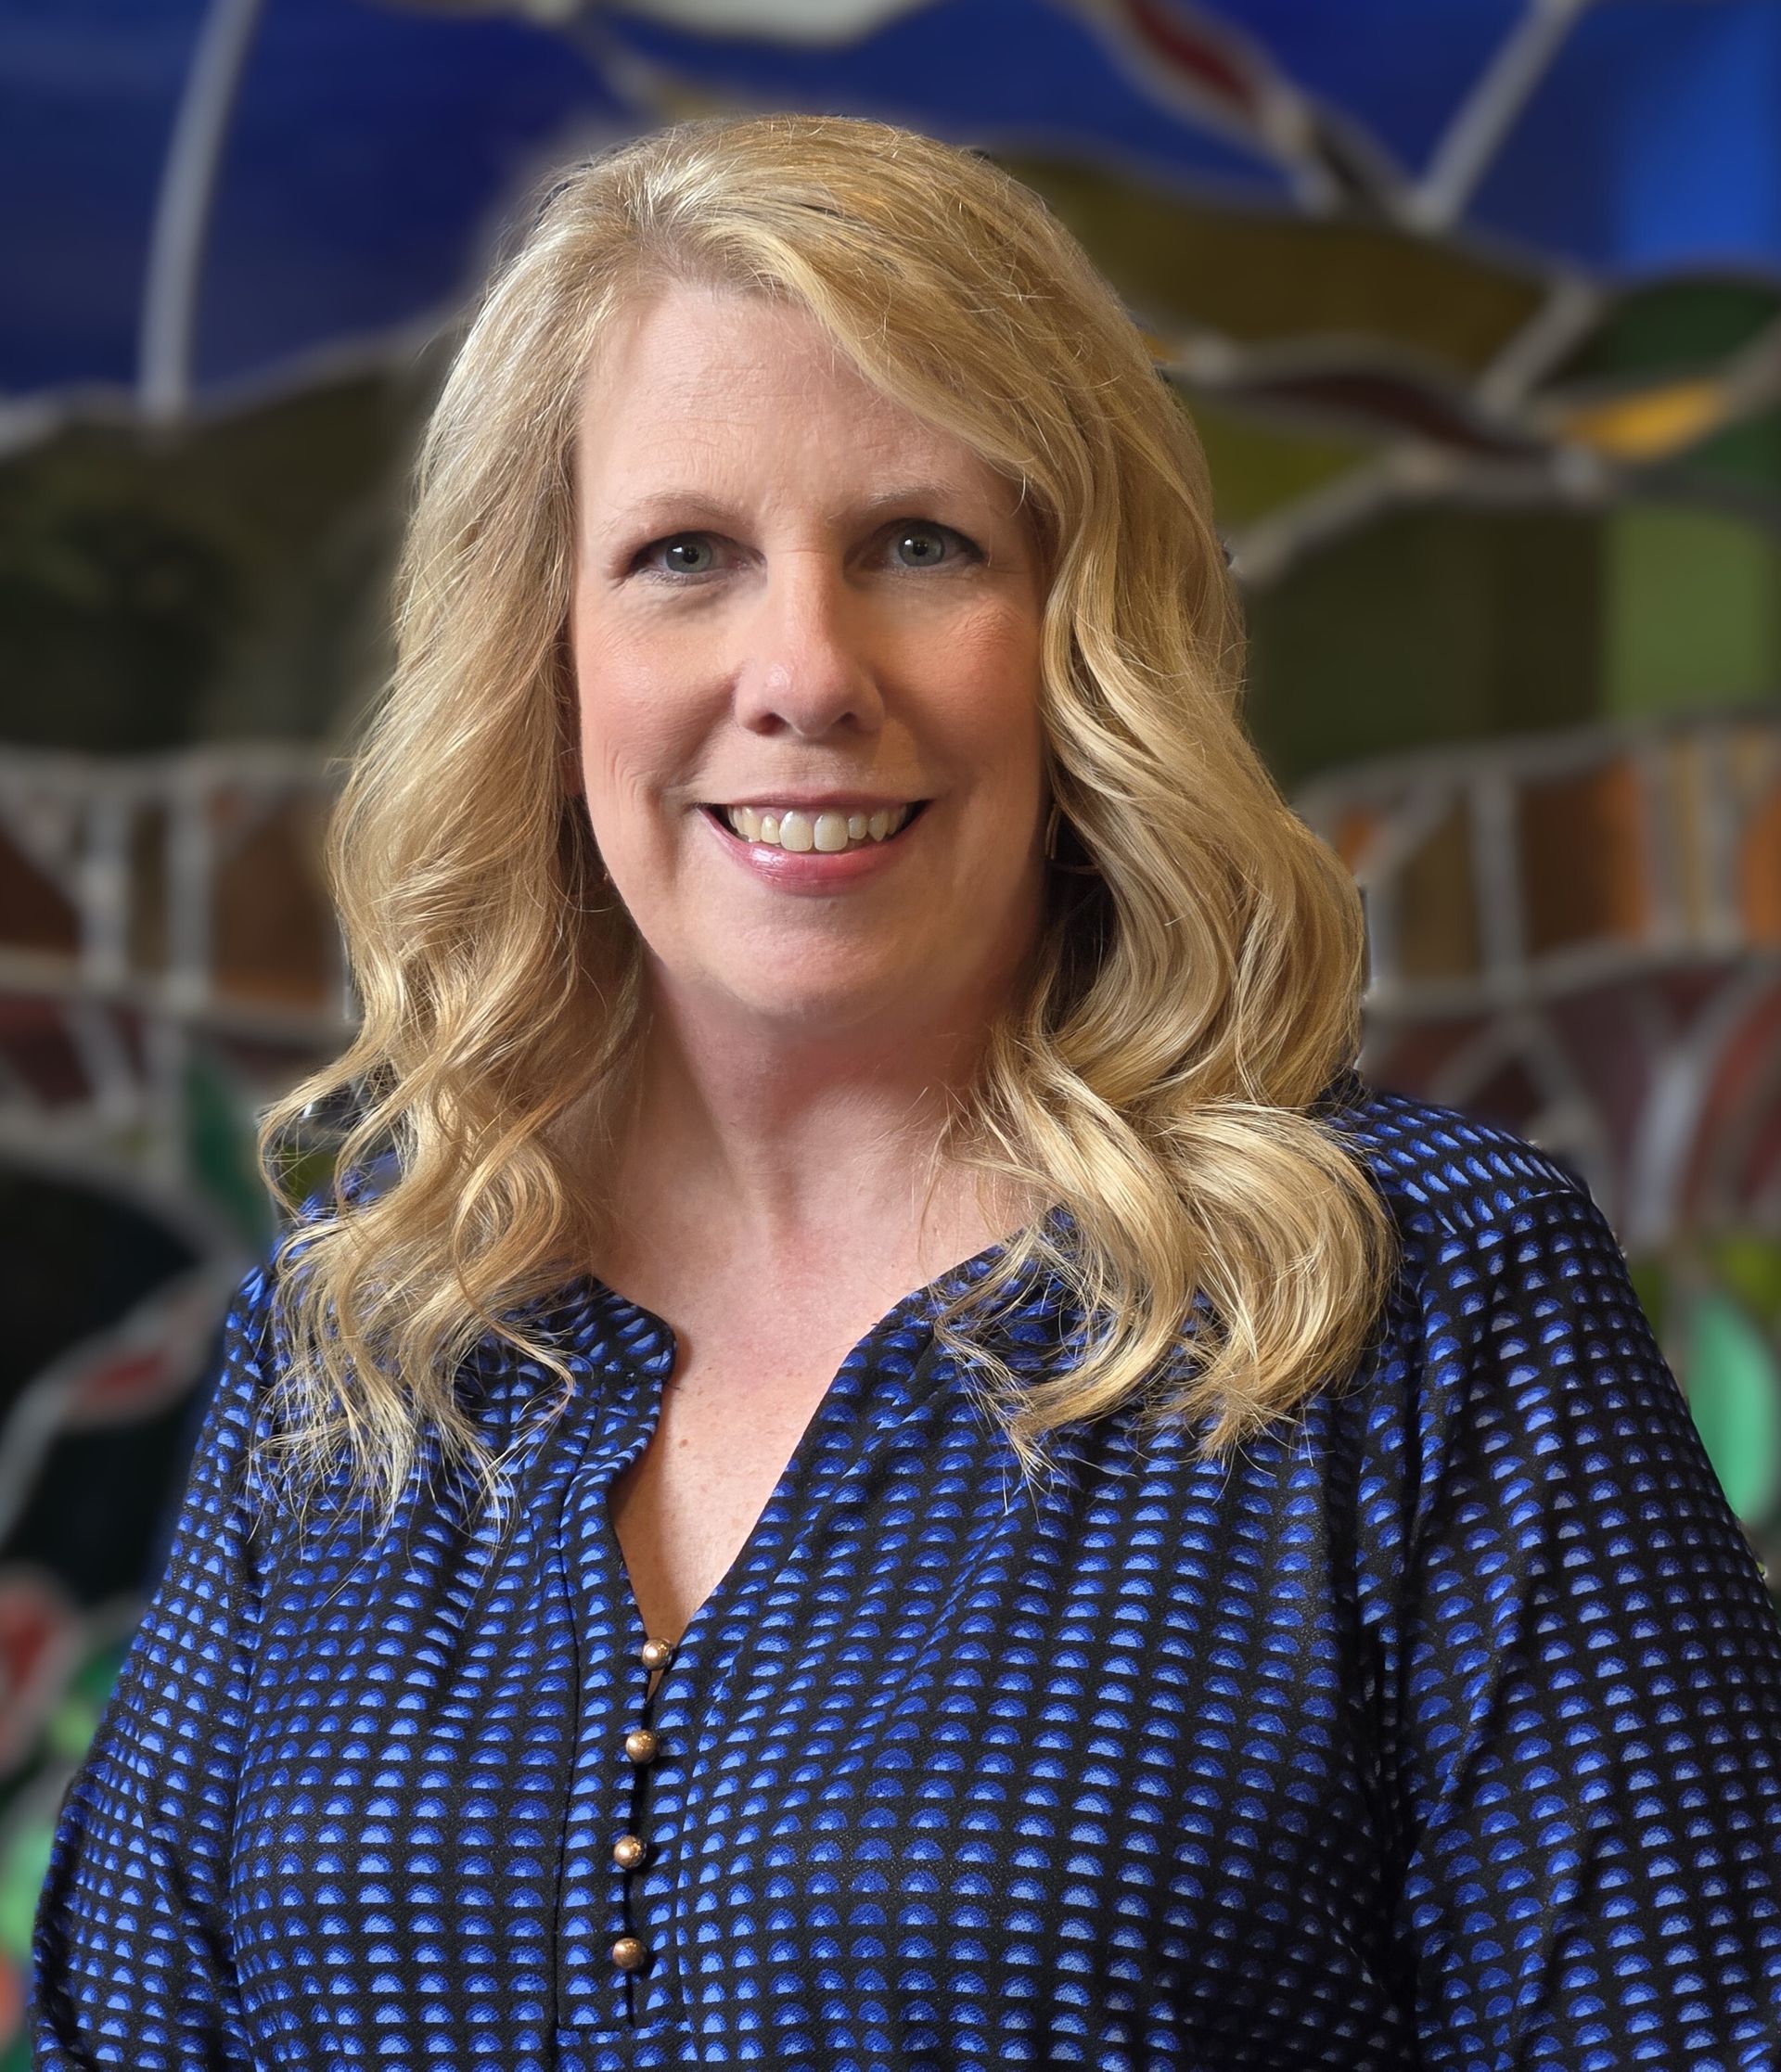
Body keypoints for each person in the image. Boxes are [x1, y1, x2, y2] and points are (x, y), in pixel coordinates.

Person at [31, 112, 1781, 2071]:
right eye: (684, 554)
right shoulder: (355, 1339)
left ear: (1083, 641)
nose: (805, 670)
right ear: (549, 655)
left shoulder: (1419, 1299)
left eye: (920, 547)